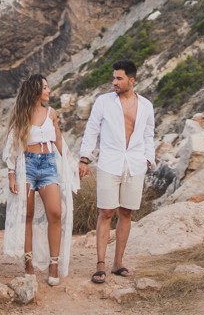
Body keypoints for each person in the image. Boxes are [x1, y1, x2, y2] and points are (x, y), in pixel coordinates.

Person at [78, 59, 155, 284]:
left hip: (135, 164)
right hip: (109, 162)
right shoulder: (103, 102)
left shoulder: (146, 105)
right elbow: (91, 129)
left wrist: (148, 158)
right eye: (113, 78)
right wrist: (84, 158)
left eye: (119, 78)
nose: (114, 82)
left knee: (127, 213)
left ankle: (118, 262)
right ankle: (100, 265)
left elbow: (149, 133)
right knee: (106, 212)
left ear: (132, 80)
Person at [2, 74, 76, 286]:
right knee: (28, 215)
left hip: (49, 164)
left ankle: (54, 263)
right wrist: (11, 174)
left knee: (55, 213)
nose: (49, 90)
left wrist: (71, 164)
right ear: (35, 90)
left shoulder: (51, 113)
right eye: (45, 87)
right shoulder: (21, 114)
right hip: (27, 165)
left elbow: (59, 139)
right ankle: (28, 262)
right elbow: (13, 144)